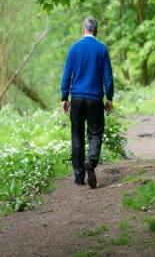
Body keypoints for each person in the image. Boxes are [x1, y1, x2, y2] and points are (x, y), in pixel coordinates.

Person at [61, 17, 114, 189]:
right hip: (95, 99)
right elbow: (108, 77)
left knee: (77, 136)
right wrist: (109, 98)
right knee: (95, 133)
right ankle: (91, 161)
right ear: (95, 30)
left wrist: (64, 97)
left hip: (76, 99)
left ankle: (78, 176)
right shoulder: (101, 49)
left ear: (83, 29)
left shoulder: (74, 48)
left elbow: (66, 74)